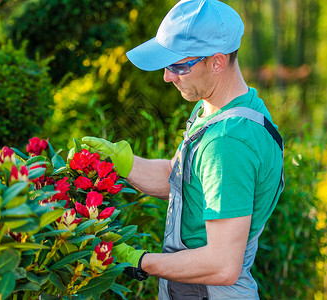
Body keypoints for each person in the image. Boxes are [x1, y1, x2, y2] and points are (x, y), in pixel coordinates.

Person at [82, 0, 284, 299]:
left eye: (179, 66)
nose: (167, 76)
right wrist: (120, 162)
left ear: (217, 62)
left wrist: (138, 261)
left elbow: (221, 265)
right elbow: (180, 179)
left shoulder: (228, 143)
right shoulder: (220, 108)